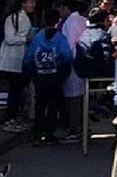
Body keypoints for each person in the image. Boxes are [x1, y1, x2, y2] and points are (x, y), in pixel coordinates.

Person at [24, 8, 73, 145]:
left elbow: (29, 57)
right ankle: (49, 134)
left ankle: (37, 134)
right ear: (58, 21)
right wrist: (65, 72)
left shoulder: (38, 37)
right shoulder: (60, 37)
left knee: (40, 104)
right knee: (53, 105)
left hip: (40, 76)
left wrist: (30, 72)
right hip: (55, 76)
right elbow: (67, 56)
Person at [0, 0, 36, 133]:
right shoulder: (13, 18)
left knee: (18, 91)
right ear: (23, 3)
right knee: (14, 90)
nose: (33, 5)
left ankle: (14, 118)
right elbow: (9, 38)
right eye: (30, 2)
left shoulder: (26, 18)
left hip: (20, 59)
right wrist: (25, 39)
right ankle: (9, 119)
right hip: (12, 60)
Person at [56, 0, 85, 144]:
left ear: (66, 8)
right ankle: (82, 127)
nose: (59, 12)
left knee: (72, 97)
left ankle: (74, 129)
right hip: (82, 61)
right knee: (80, 96)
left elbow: (68, 45)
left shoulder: (69, 23)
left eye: (60, 8)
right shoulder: (82, 20)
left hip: (72, 62)